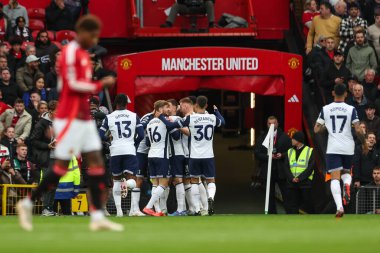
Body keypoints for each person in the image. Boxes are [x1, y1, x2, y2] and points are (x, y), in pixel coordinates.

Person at [16, 14, 123, 232]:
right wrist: (99, 84)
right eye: (92, 36)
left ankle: (97, 216)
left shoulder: (83, 55)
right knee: (60, 166)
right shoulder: (69, 53)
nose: (94, 40)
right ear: (83, 33)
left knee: (95, 162)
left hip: (82, 115)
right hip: (69, 116)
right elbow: (71, 85)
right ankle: (27, 202)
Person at [159, 96, 225, 216]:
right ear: (206, 105)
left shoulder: (191, 118)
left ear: (195, 105)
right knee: (210, 180)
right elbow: (223, 122)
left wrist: (162, 118)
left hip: (194, 156)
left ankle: (196, 208)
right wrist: (216, 111)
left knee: (194, 181)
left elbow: (171, 126)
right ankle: (211, 198)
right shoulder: (212, 118)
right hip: (208, 155)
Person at [314, 83, 365, 217]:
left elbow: (316, 129)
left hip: (333, 147)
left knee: (334, 178)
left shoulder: (326, 109)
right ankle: (347, 184)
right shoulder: (351, 109)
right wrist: (364, 142)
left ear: (333, 93)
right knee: (346, 172)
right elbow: (359, 129)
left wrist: (328, 127)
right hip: (348, 146)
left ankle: (339, 207)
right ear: (346, 94)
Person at [99, 93, 144, 217]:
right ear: (126, 103)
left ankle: (119, 212)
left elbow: (100, 135)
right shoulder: (134, 116)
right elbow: (141, 135)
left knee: (116, 181)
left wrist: (110, 141)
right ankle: (127, 188)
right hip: (129, 150)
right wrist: (134, 144)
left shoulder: (109, 117)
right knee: (132, 180)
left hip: (115, 151)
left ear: (116, 103)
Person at [142, 100, 181, 216]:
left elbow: (148, 142)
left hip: (151, 155)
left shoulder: (149, 123)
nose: (168, 110)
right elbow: (176, 136)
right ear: (159, 109)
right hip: (161, 156)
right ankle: (148, 207)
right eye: (165, 108)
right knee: (163, 184)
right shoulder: (166, 121)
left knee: (155, 184)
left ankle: (158, 210)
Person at [255, 116, 292, 214]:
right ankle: (272, 213)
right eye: (269, 123)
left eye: (274, 123)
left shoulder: (285, 137)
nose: (272, 125)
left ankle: (290, 213)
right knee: (269, 194)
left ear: (277, 123)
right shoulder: (262, 137)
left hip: (281, 170)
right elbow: (257, 153)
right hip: (268, 170)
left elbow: (291, 152)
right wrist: (269, 157)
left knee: (286, 193)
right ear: (267, 124)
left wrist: (282, 155)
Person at [29, 100, 58, 216]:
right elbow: (33, 140)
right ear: (50, 111)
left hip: (58, 156)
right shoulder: (42, 123)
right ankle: (46, 209)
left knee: (54, 184)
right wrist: (47, 146)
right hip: (47, 157)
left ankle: (49, 208)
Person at [165, 99, 187, 216]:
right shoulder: (168, 118)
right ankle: (164, 209)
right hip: (169, 154)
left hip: (177, 154)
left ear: (175, 108)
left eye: (169, 106)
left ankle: (181, 209)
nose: (167, 109)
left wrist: (169, 125)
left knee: (178, 180)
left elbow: (177, 136)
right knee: (168, 180)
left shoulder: (176, 119)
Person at [284, 132, 315, 214]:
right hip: (292, 183)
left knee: (307, 203)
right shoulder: (289, 151)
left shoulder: (309, 151)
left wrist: (300, 178)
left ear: (299, 140)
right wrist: (292, 178)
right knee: (293, 204)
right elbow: (286, 167)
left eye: (293, 139)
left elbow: (310, 167)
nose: (291, 140)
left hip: (305, 183)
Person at [134, 110, 153, 216]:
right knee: (139, 179)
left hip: (153, 153)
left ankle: (155, 208)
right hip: (142, 152)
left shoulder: (166, 118)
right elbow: (140, 127)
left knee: (155, 180)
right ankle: (135, 209)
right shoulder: (147, 117)